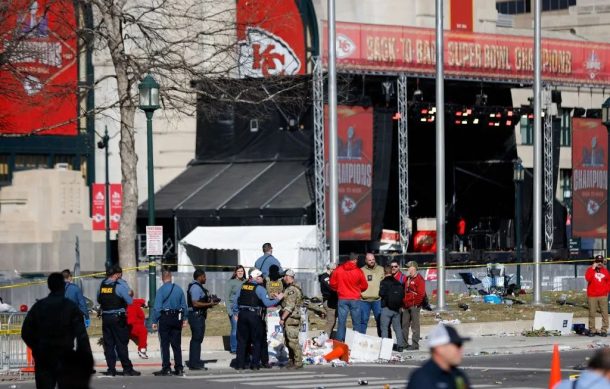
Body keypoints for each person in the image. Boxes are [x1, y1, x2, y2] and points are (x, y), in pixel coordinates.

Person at [22, 273, 93, 389]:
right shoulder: (71, 307)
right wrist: (85, 358)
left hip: (44, 357)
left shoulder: (39, 306)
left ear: (49, 286)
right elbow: (82, 336)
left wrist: (37, 348)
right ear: (62, 285)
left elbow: (26, 332)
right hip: (64, 356)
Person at [232, 269, 283, 370]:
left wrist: (236, 312)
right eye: (260, 277)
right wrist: (278, 298)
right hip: (254, 315)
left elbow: (235, 300)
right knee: (256, 340)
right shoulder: (259, 289)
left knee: (242, 341)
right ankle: (254, 365)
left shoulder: (242, 286)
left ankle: (240, 365)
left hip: (242, 315)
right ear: (255, 278)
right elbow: (267, 303)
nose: (262, 278)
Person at [97, 265, 140, 376]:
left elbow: (98, 298)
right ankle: (127, 369)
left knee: (109, 344)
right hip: (118, 318)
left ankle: (111, 369)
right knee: (121, 344)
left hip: (106, 318)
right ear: (116, 274)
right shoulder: (119, 286)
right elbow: (130, 301)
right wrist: (129, 294)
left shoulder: (102, 285)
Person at [407, 324, 471, 389]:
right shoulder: (422, 379)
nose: (461, 350)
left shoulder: (458, 375)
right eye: (457, 345)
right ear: (439, 348)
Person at [151, 269, 188, 376]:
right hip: (177, 318)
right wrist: (185, 318)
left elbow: (157, 308)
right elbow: (184, 306)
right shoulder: (179, 289)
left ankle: (166, 368)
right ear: (171, 277)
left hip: (165, 318)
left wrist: (154, 320)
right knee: (176, 344)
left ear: (162, 278)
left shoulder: (161, 290)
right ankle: (179, 368)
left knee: (165, 344)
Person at [329, 253, 368, 342]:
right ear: (355, 260)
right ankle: (356, 342)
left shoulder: (338, 270)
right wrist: (358, 290)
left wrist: (338, 289)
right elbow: (364, 285)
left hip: (342, 298)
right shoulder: (358, 271)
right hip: (355, 298)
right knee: (356, 323)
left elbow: (332, 284)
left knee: (341, 322)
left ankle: (339, 342)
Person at [187, 269, 219, 370]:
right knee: (196, 339)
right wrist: (209, 304)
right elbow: (195, 303)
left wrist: (210, 301)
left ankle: (195, 361)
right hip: (196, 316)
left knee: (197, 339)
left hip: (198, 316)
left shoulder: (198, 286)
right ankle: (195, 364)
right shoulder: (196, 287)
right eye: (204, 276)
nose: (205, 278)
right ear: (200, 277)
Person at [279, 269, 303, 369]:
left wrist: (283, 318)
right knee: (288, 341)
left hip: (291, 318)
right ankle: (292, 360)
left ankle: (298, 362)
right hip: (290, 318)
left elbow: (290, 306)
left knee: (293, 342)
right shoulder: (288, 288)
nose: (283, 278)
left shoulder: (292, 290)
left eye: (284, 276)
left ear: (288, 277)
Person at [379, 265, 406, 351]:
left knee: (384, 328)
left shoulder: (383, 282)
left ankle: (385, 347)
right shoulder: (398, 282)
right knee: (397, 328)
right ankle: (400, 345)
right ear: (391, 272)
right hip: (397, 309)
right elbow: (402, 295)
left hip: (386, 308)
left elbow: (381, 294)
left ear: (384, 272)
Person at [403, 260, 425, 350]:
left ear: (414, 268)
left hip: (414, 305)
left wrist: (416, 303)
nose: (408, 269)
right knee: (404, 324)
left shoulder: (419, 279)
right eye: (408, 268)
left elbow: (421, 293)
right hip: (406, 305)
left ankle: (415, 344)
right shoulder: (407, 278)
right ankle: (404, 343)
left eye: (409, 267)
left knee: (415, 325)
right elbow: (404, 291)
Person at [360, 253, 384, 336]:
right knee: (363, 321)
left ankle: (382, 339)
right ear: (366, 261)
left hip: (377, 300)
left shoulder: (381, 269)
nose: (372, 261)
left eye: (373, 259)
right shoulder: (361, 270)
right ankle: (361, 340)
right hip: (364, 301)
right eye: (369, 260)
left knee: (380, 321)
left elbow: (384, 284)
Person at [585, 255, 610, 337]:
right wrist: (593, 268)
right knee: (592, 313)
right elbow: (588, 278)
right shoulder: (590, 270)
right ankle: (592, 330)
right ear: (595, 262)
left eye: (601, 261)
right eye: (598, 261)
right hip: (592, 296)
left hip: (603, 295)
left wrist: (607, 291)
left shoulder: (605, 271)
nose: (599, 263)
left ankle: (604, 330)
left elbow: (608, 281)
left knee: (604, 313)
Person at [225, 265, 246, 354]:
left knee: (243, 329)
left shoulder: (246, 281)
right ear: (235, 272)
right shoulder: (231, 282)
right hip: (234, 310)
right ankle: (234, 348)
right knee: (235, 328)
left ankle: (242, 347)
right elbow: (226, 297)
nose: (240, 272)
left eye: (242, 271)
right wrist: (230, 312)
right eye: (239, 271)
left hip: (243, 309)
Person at [318, 263, 338, 336]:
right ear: (331, 269)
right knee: (331, 321)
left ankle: (329, 336)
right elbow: (332, 288)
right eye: (335, 270)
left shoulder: (332, 276)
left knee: (333, 320)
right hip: (329, 301)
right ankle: (324, 337)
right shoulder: (325, 277)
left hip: (334, 301)